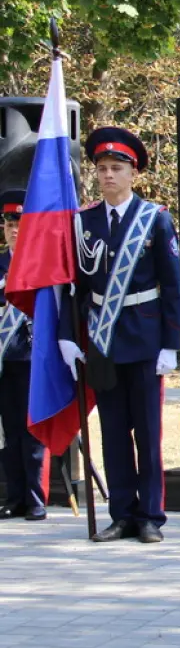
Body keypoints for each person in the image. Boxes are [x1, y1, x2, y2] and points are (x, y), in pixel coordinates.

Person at [57, 127, 180, 543]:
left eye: (116, 168)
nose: (108, 175)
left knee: (147, 434)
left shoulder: (155, 218)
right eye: (102, 168)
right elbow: (73, 287)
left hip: (145, 339)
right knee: (112, 433)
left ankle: (150, 516)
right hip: (102, 340)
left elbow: (174, 286)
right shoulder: (83, 222)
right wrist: (66, 335)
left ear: (133, 174)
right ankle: (122, 513)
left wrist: (170, 344)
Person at [0, 189, 47, 521]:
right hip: (3, 359)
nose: (14, 228)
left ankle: (35, 498)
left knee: (32, 431)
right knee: (9, 430)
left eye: (20, 222)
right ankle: (14, 496)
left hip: (30, 356)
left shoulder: (39, 264)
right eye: (8, 222)